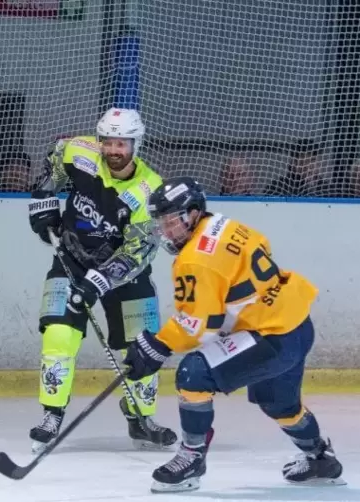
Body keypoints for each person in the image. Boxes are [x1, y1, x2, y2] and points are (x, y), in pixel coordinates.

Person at [122, 176, 345, 493]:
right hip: (295, 323)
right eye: (162, 222)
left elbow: (198, 324)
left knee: (193, 374)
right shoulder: (225, 224)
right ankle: (320, 457)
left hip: (270, 337)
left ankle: (191, 460)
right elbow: (261, 246)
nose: (166, 231)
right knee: (280, 405)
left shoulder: (195, 260)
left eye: (172, 222)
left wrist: (156, 346)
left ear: (194, 213)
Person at [27, 108, 177, 454]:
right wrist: (44, 201)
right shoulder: (77, 150)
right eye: (107, 141)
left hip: (127, 274)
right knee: (58, 333)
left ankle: (141, 418)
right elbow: (54, 166)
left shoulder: (150, 191)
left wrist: (98, 282)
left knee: (141, 347)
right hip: (72, 260)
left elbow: (138, 252)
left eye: (121, 143)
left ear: (135, 144)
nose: (113, 149)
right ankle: (52, 414)